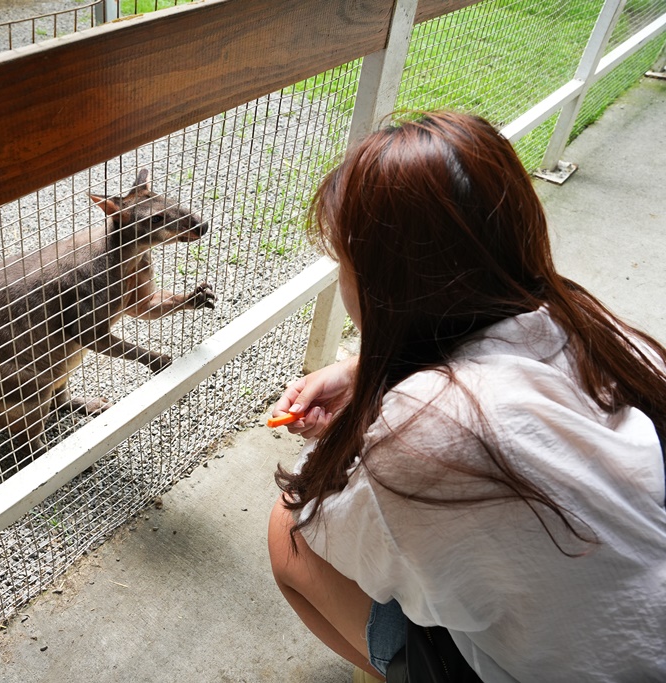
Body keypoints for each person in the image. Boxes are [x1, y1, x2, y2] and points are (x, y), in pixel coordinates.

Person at [266, 111, 666, 682]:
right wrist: (365, 372)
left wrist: (361, 417)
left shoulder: (423, 433)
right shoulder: (599, 331)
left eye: (346, 265)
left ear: (384, 284)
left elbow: (331, 521)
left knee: (288, 533)